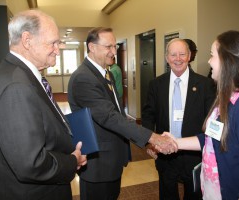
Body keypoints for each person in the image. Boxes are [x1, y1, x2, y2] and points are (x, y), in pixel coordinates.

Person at [164, 30, 239, 199]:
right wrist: (174, 142)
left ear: (228, 61)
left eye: (212, 55)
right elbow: (212, 138)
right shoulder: (226, 98)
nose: (209, 61)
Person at [0, 10, 87, 200]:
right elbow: (30, 163)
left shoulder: (18, 73)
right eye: (53, 43)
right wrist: (72, 161)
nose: (58, 49)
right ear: (27, 40)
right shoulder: (17, 86)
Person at [67, 27, 178, 200]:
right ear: (92, 47)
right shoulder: (84, 77)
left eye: (114, 46)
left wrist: (144, 140)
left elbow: (116, 112)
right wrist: (153, 138)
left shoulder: (106, 73)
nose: (113, 51)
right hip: (98, 163)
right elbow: (108, 117)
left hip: (110, 159)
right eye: (108, 47)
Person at [142, 38, 216, 200]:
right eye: (173, 55)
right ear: (167, 58)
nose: (178, 59)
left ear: (189, 56)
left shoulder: (205, 85)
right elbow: (148, 116)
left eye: (182, 54)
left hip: (194, 154)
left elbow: (212, 120)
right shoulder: (156, 84)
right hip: (164, 152)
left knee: (194, 194)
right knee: (167, 193)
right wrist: (151, 142)